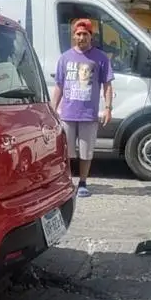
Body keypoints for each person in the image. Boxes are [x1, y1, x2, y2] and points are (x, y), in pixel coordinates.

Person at [51, 18, 113, 198]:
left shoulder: (100, 58)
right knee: (67, 152)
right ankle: (68, 181)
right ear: (73, 36)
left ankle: (83, 183)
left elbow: (107, 85)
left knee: (86, 152)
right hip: (68, 114)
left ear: (91, 36)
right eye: (78, 34)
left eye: (85, 34)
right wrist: (52, 109)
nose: (81, 37)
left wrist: (108, 108)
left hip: (88, 115)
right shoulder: (65, 58)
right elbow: (59, 85)